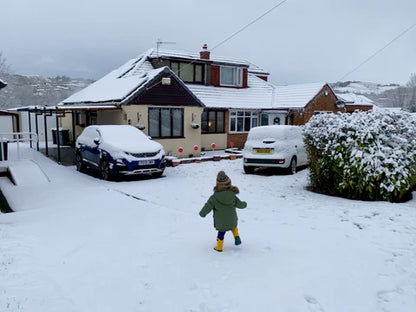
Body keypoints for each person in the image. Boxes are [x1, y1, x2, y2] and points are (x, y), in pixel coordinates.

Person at [199, 170, 247, 252]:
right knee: (233, 227)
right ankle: (237, 237)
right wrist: (244, 204)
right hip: (232, 220)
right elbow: (240, 204)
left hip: (221, 222)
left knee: (221, 233)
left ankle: (219, 247)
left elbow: (207, 207)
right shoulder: (232, 195)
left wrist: (202, 213)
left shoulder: (214, 198)